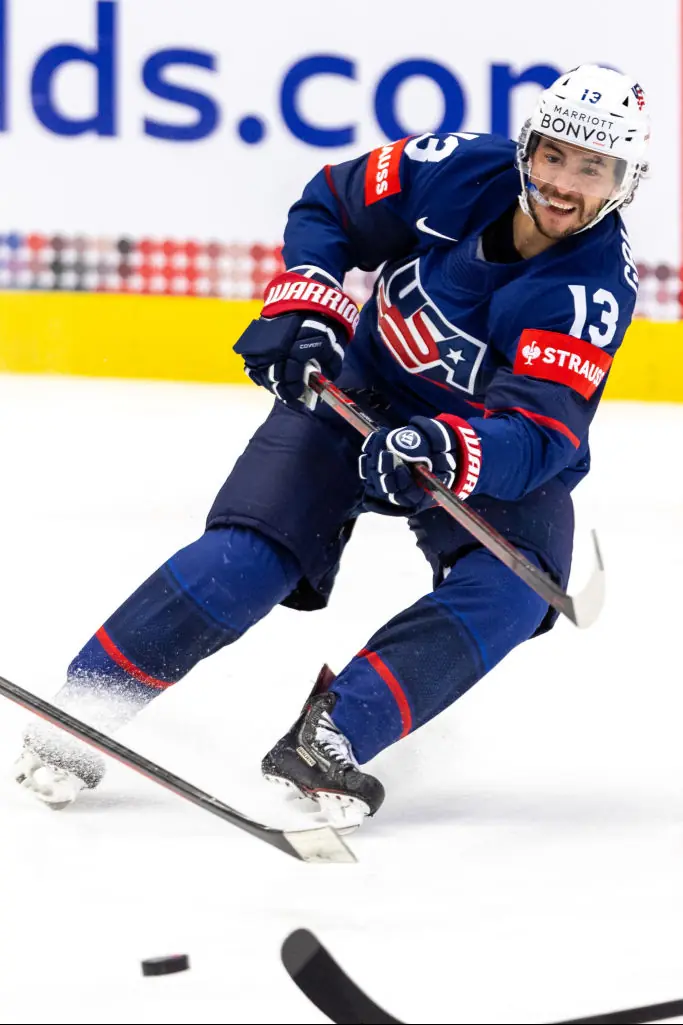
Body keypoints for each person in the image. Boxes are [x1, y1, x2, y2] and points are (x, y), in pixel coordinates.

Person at [14, 64, 650, 829]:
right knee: (248, 554)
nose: (562, 183)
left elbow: (541, 433)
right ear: (526, 150)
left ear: (623, 181)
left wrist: (447, 446)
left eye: (591, 168)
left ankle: (332, 735)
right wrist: (308, 298)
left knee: (515, 589)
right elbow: (330, 204)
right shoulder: (453, 166)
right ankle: (83, 707)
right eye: (552, 155)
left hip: (473, 441)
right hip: (356, 391)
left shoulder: (588, 291)